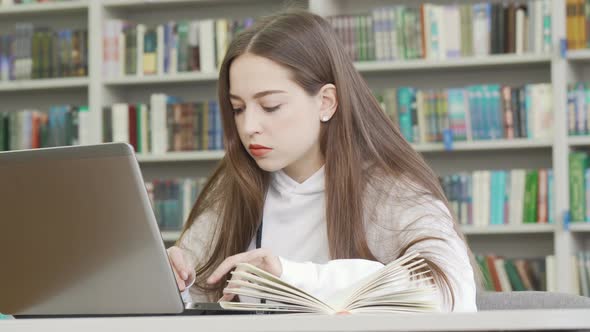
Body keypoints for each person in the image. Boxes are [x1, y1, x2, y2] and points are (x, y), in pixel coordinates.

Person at [166, 8, 478, 312]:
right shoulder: (233, 187)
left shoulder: (390, 189)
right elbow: (197, 300)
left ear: (326, 102)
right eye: (238, 108)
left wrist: (289, 277)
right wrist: (171, 283)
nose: (248, 127)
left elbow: (451, 294)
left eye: (270, 106)